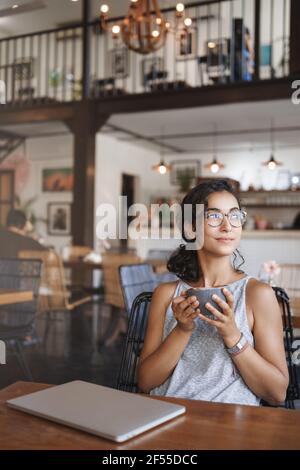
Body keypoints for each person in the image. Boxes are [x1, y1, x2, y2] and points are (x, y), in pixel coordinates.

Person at [138, 180, 288, 406]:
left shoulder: (258, 295)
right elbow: (145, 382)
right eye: (215, 216)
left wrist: (232, 335)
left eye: (235, 215)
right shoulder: (166, 294)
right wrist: (182, 330)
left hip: (231, 425)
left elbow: (277, 393)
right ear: (191, 228)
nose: (228, 226)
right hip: (167, 418)